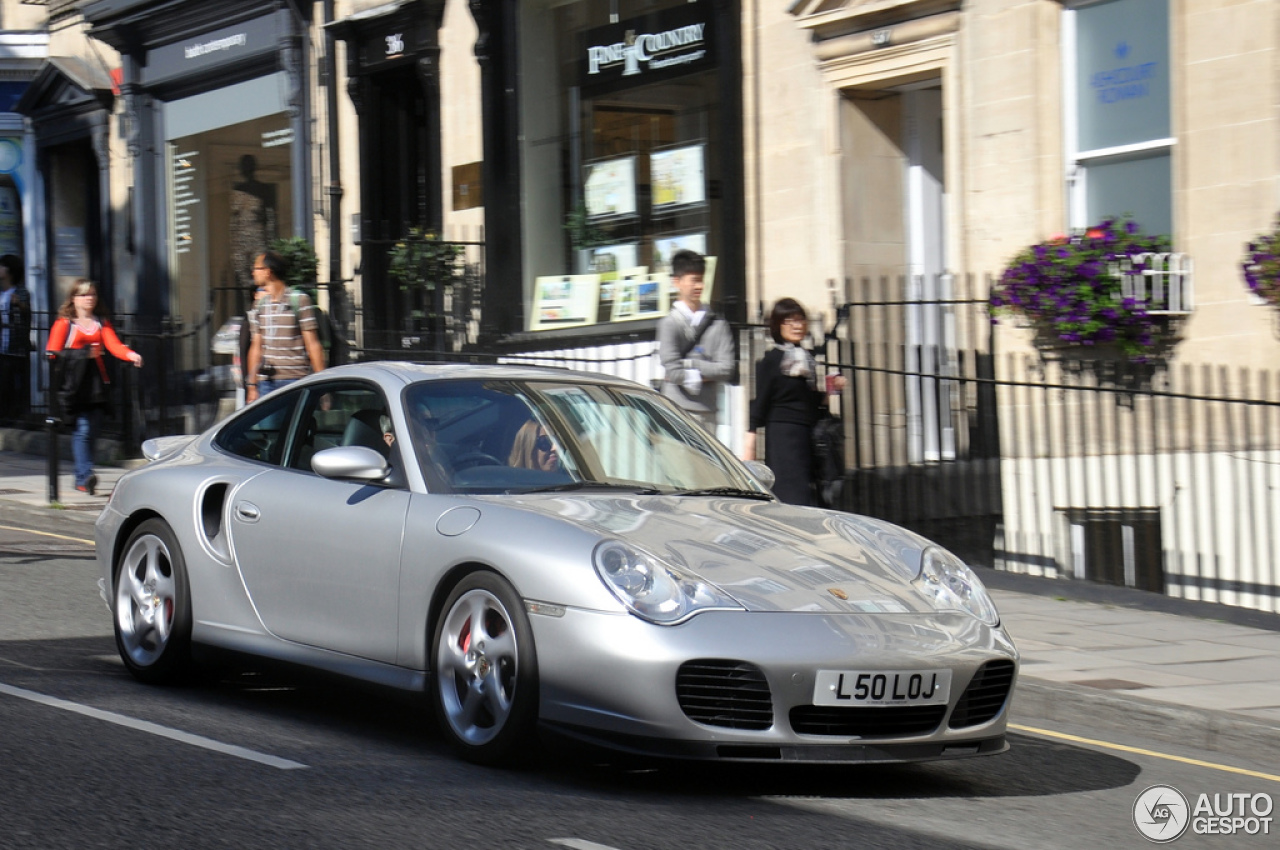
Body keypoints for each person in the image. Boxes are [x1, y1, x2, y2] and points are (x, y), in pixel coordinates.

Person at [743, 298, 845, 506]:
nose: (797, 326)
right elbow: (760, 401)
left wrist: (831, 390)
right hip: (783, 437)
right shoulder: (771, 360)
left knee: (808, 496)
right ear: (777, 325)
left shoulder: (806, 358)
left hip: (806, 436)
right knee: (790, 495)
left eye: (800, 320)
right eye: (789, 321)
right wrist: (750, 441)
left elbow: (810, 403)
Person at [45, 279, 143, 495]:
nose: (89, 298)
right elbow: (52, 353)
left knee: (94, 429)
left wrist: (130, 355)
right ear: (73, 298)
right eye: (83, 295)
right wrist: (82, 354)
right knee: (83, 430)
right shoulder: (64, 323)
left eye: (92, 294)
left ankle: (83, 474)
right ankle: (84, 476)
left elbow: (114, 344)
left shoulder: (100, 322)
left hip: (97, 384)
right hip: (74, 385)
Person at [656, 249, 734, 431]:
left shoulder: (718, 324)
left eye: (701, 279)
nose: (699, 286)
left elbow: (726, 369)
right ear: (677, 282)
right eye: (694, 280)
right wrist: (707, 373)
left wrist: (690, 363)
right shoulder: (669, 324)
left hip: (708, 412)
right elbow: (673, 372)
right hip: (675, 410)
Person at [245, 250, 325, 402]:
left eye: (256, 268)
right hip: (266, 382)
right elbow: (256, 347)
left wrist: (322, 384)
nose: (253, 272)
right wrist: (252, 385)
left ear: (268, 272)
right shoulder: (259, 305)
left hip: (295, 379)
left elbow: (313, 344)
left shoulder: (299, 300)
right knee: (268, 426)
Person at [0, 254, 31, 424]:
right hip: (2, 345)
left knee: (16, 384)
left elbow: (26, 314)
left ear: (10, 271)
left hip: (16, 347)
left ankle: (17, 417)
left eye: (2, 266)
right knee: (4, 383)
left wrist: (19, 304)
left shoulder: (20, 292)